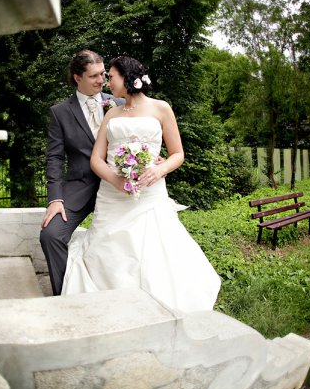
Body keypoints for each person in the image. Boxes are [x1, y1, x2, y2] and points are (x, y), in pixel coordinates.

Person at [61, 56, 221, 313]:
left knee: (153, 250)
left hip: (149, 193)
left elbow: (178, 154)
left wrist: (159, 169)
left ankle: (153, 300)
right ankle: (116, 302)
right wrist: (116, 181)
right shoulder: (111, 113)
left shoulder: (161, 108)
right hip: (113, 196)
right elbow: (96, 159)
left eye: (111, 77)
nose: (107, 82)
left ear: (127, 78)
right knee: (111, 250)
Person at [40, 49, 125, 296]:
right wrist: (55, 199)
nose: (101, 80)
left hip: (117, 185)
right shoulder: (60, 112)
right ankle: (64, 298)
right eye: (94, 76)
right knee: (51, 235)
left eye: (103, 74)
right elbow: (54, 158)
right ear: (77, 77)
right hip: (80, 186)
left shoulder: (119, 103)